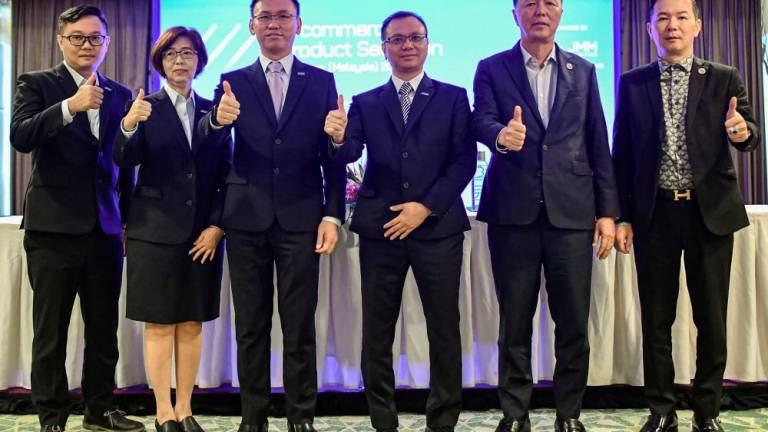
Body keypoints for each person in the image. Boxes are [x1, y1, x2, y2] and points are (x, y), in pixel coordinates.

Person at [470, 0, 620, 430]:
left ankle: (568, 414)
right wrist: (501, 134)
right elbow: (478, 120)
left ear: (561, 12)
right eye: (530, 3)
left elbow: (598, 143)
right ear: (514, 13)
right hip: (512, 214)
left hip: (572, 214)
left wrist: (607, 212)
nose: (540, 10)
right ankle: (515, 414)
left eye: (549, 2)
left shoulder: (584, 70)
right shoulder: (492, 67)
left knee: (573, 321)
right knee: (514, 321)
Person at [198, 0, 346, 431]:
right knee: (251, 326)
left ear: (299, 25)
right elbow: (212, 154)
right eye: (266, 17)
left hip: (302, 219)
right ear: (251, 26)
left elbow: (331, 156)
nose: (275, 24)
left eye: (284, 16)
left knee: (300, 325)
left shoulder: (320, 82)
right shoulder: (231, 82)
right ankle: (253, 417)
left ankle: (301, 417)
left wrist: (332, 214)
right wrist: (215, 123)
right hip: (245, 220)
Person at [612, 1, 759, 431]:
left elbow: (748, 133)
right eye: (662, 18)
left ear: (697, 24)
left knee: (710, 318)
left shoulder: (723, 77)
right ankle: (661, 410)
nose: (671, 25)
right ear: (648, 29)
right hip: (655, 213)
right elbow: (622, 154)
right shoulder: (632, 83)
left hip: (708, 214)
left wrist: (741, 131)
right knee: (656, 319)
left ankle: (707, 410)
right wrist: (621, 215)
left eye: (680, 17)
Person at [326, 10, 476, 432]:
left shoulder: (452, 97)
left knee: (444, 327)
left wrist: (425, 207)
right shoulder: (367, 101)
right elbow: (349, 153)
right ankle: (382, 419)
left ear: (428, 44)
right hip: (382, 230)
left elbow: (464, 161)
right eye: (397, 40)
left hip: (437, 228)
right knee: (378, 329)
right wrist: (338, 136)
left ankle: (442, 419)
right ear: (383, 48)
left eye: (415, 38)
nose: (407, 46)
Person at [10, 5, 144, 432]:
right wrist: (70, 105)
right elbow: (21, 136)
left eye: (96, 38)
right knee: (50, 329)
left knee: (104, 330)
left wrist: (125, 222)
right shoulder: (37, 84)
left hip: (104, 229)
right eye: (78, 38)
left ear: (107, 42)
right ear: (61, 40)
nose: (88, 45)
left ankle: (100, 410)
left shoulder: (121, 93)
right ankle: (51, 415)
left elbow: (125, 166)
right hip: (51, 230)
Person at [113, 26, 231, 432]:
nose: (179, 61)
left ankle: (186, 409)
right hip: (154, 231)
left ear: (199, 60)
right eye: (170, 55)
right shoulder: (145, 106)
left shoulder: (217, 108)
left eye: (187, 53)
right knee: (160, 322)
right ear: (160, 63)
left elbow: (224, 174)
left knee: (193, 322)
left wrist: (217, 225)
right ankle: (164, 411)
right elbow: (125, 160)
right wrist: (128, 126)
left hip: (202, 234)